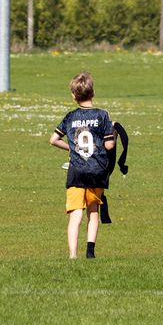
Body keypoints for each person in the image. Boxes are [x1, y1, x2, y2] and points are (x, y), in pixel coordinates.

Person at [49, 71, 115, 259]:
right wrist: (114, 137)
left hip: (77, 171)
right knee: (93, 211)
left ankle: (72, 256)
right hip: (97, 170)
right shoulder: (103, 115)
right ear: (93, 92)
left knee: (75, 214)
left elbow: (53, 139)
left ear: (73, 96)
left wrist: (71, 148)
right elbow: (109, 145)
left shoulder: (70, 117)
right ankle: (90, 252)